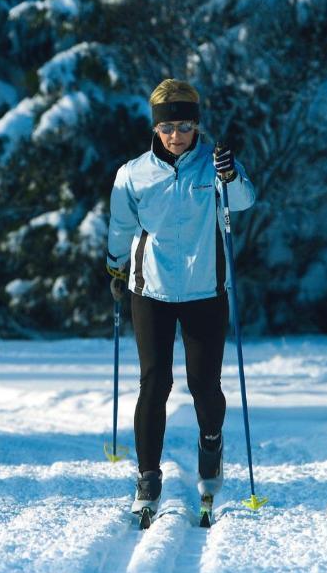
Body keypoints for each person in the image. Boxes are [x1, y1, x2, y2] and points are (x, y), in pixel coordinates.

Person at [106, 79, 256, 517]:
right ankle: (148, 476)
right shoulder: (133, 173)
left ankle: (211, 442)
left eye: (185, 126)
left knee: (204, 385)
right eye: (168, 126)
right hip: (150, 289)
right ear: (156, 128)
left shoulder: (214, 167)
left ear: (197, 126)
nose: (176, 135)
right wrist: (116, 266)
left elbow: (245, 200)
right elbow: (119, 226)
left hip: (205, 290)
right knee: (155, 383)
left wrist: (230, 174)